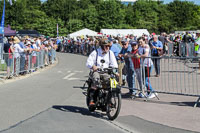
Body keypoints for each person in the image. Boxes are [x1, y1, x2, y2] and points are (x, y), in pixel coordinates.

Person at [86, 38, 118, 106]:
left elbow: (114, 64)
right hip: (97, 71)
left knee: (111, 83)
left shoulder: (110, 53)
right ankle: (92, 99)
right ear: (102, 46)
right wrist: (93, 66)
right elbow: (88, 62)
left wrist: (115, 70)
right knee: (96, 80)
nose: (107, 47)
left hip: (106, 72)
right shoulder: (95, 52)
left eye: (109, 46)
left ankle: (109, 100)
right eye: (106, 46)